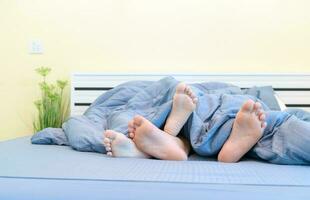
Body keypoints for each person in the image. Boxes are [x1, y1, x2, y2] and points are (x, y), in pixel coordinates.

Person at [103, 82, 267, 162]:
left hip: (188, 119)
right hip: (202, 116)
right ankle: (164, 139)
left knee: (187, 130)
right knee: (212, 114)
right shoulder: (245, 96)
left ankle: (163, 139)